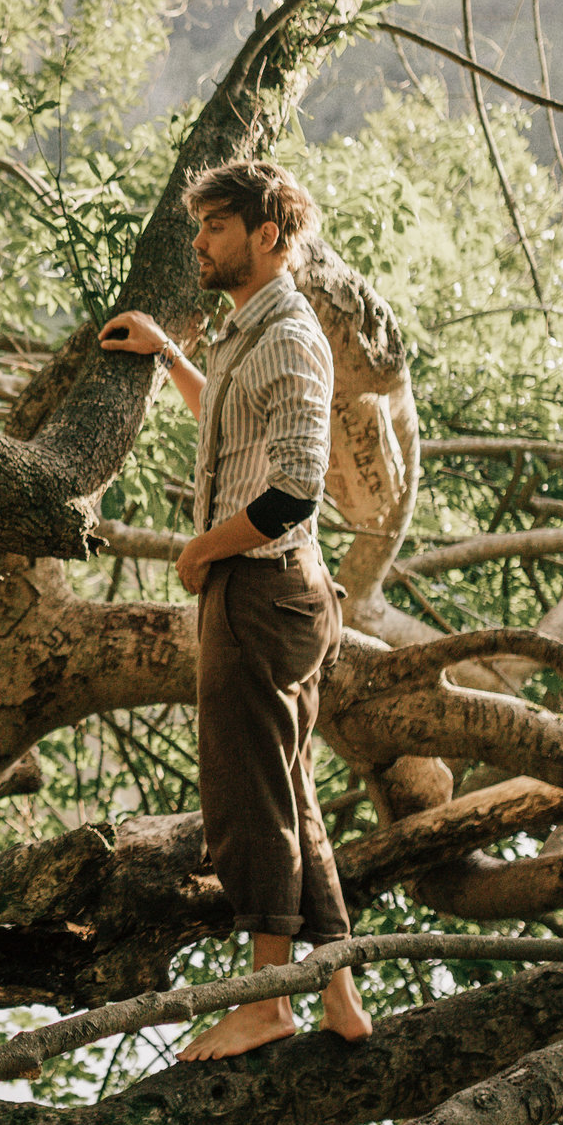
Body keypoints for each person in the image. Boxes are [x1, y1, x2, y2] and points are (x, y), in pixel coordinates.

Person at [99, 160, 373, 1061]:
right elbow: (234, 428)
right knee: (288, 790)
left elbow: (296, 494)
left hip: (264, 590)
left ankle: (267, 1002)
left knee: (247, 798)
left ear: (269, 234)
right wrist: (169, 355)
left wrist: (200, 550)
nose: (199, 243)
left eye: (216, 225)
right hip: (261, 592)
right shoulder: (247, 332)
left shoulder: (291, 336)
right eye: (201, 226)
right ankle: (337, 992)